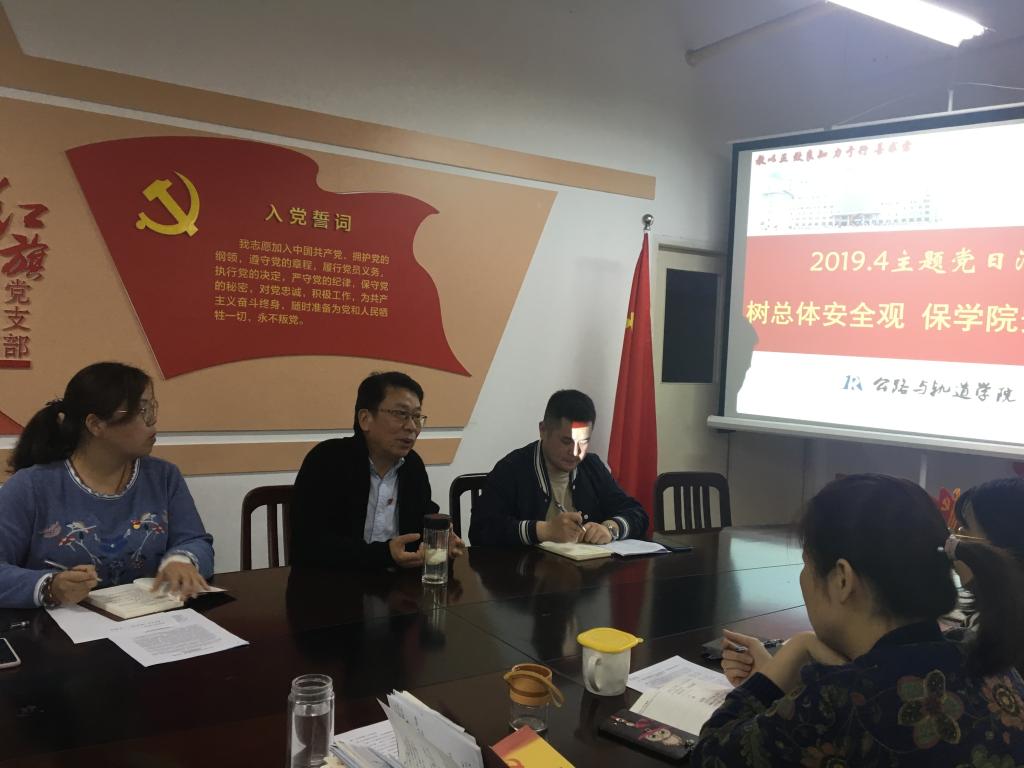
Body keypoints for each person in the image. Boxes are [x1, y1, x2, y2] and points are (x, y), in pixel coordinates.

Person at [691, 473, 1024, 766]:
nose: (804, 577)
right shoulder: (987, 656)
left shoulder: (834, 702)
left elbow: (710, 754)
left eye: (807, 564)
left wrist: (794, 651)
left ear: (842, 579)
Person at [0, 362, 214, 610]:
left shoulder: (163, 476)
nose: (152, 423)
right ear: (96, 424)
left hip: (150, 622)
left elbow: (196, 541)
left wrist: (182, 560)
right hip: (59, 627)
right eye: (141, 411)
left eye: (152, 409)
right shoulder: (31, 486)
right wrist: (51, 586)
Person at [290, 371, 464, 570]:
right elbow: (310, 546)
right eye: (401, 414)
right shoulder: (327, 460)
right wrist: (385, 554)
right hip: (331, 583)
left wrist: (440, 543)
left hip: (398, 585)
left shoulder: (412, 466)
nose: (411, 427)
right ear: (365, 419)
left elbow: (420, 530)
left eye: (417, 417)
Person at [468, 389, 648, 546]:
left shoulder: (592, 466)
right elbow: (480, 530)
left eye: (583, 442)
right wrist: (544, 530)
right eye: (566, 441)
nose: (575, 452)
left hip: (585, 572)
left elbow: (637, 513)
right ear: (543, 430)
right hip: (527, 573)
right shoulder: (511, 469)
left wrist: (610, 529)